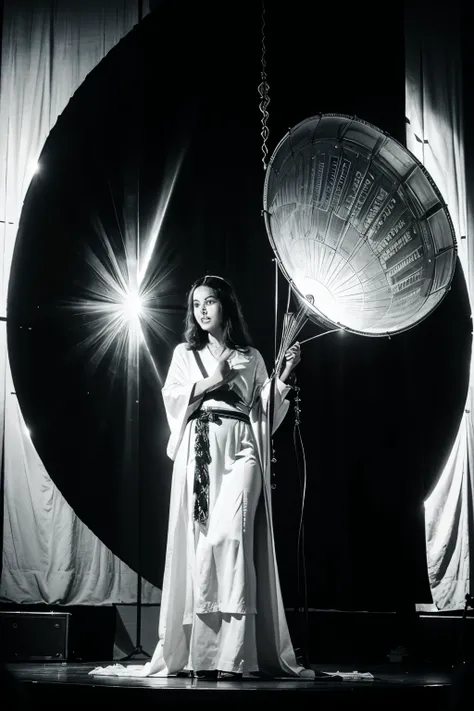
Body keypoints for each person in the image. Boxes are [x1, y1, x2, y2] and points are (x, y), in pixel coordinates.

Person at [91, 275, 313, 680]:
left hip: (242, 447)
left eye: (210, 302)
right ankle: (204, 656)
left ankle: (237, 655)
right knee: (204, 544)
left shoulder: (252, 355)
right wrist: (215, 379)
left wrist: (284, 376)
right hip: (201, 451)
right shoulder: (184, 354)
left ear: (225, 305)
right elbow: (173, 400)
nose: (203, 310)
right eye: (196, 305)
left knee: (233, 536)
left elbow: (263, 412)